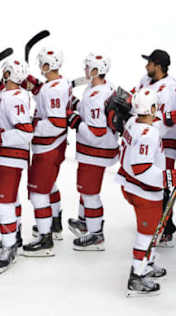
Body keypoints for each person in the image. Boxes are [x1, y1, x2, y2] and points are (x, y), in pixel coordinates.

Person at [0, 58, 33, 272]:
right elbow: (0, 103)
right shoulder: (9, 94)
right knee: (11, 200)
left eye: (6, 72)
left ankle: (9, 245)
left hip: (8, 157)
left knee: (3, 203)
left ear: (10, 75)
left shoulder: (16, 98)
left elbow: (25, 132)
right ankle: (15, 236)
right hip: (4, 156)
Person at [116, 88, 168, 296]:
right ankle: (137, 276)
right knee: (147, 234)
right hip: (144, 192)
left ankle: (149, 262)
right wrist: (169, 177)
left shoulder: (132, 123)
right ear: (153, 108)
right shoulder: (149, 134)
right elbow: (141, 169)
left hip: (129, 186)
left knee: (156, 228)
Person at [66, 53, 119, 250]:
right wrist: (73, 104)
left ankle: (96, 235)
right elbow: (87, 108)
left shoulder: (99, 95)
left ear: (97, 71)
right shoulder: (96, 88)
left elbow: (96, 133)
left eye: (88, 67)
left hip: (96, 151)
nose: (85, 70)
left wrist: (76, 122)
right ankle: (84, 221)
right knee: (84, 188)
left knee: (89, 192)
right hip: (94, 151)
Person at [23, 47, 71, 257]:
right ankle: (54, 223)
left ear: (48, 65)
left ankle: (45, 238)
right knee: (50, 185)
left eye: (42, 63)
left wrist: (31, 126)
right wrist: (36, 89)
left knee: (38, 193)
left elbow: (57, 122)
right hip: (56, 145)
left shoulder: (53, 89)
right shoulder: (58, 83)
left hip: (48, 146)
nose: (39, 66)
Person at [133, 49, 176, 246]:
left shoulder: (169, 89)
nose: (146, 66)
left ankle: (165, 228)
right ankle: (153, 221)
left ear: (158, 66)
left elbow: (165, 122)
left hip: (165, 141)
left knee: (162, 182)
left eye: (149, 63)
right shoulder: (145, 79)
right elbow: (135, 99)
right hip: (149, 138)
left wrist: (145, 131)